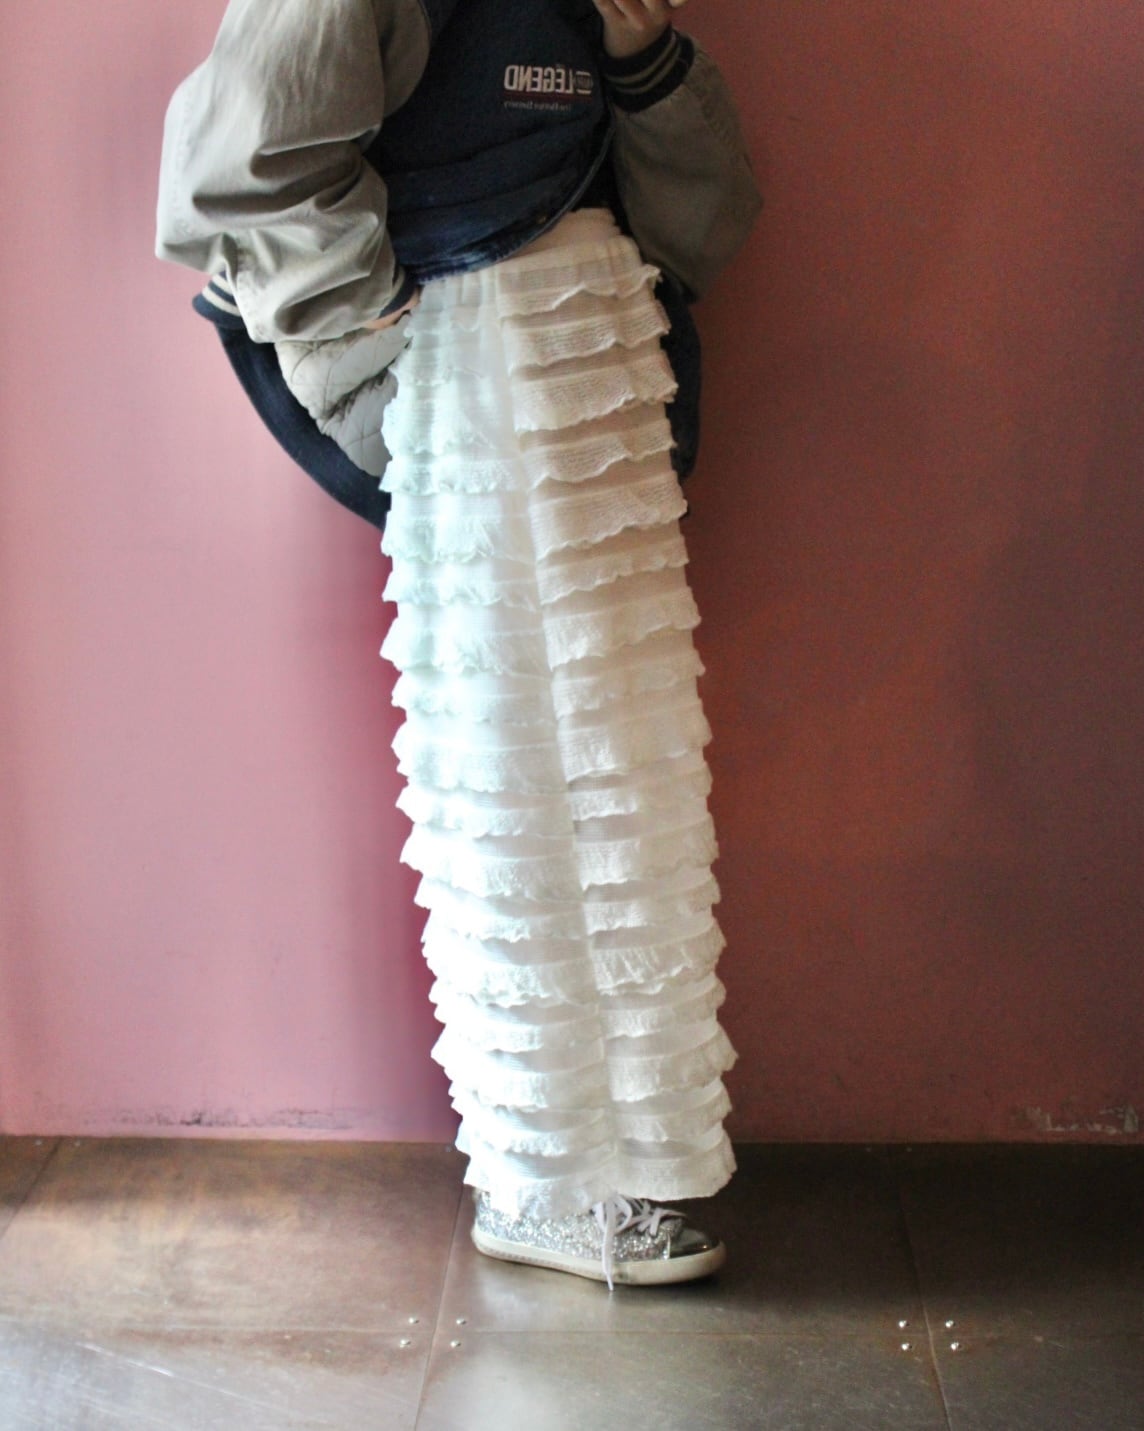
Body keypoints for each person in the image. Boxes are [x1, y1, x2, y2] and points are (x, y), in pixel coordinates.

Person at [156, 0, 760, 1289]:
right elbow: (238, 160)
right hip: (475, 364)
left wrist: (645, 60)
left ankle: (645, 1164)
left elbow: (704, 223)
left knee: (627, 778)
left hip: (600, 359)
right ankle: (538, 1180)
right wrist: (384, 347)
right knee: (507, 777)